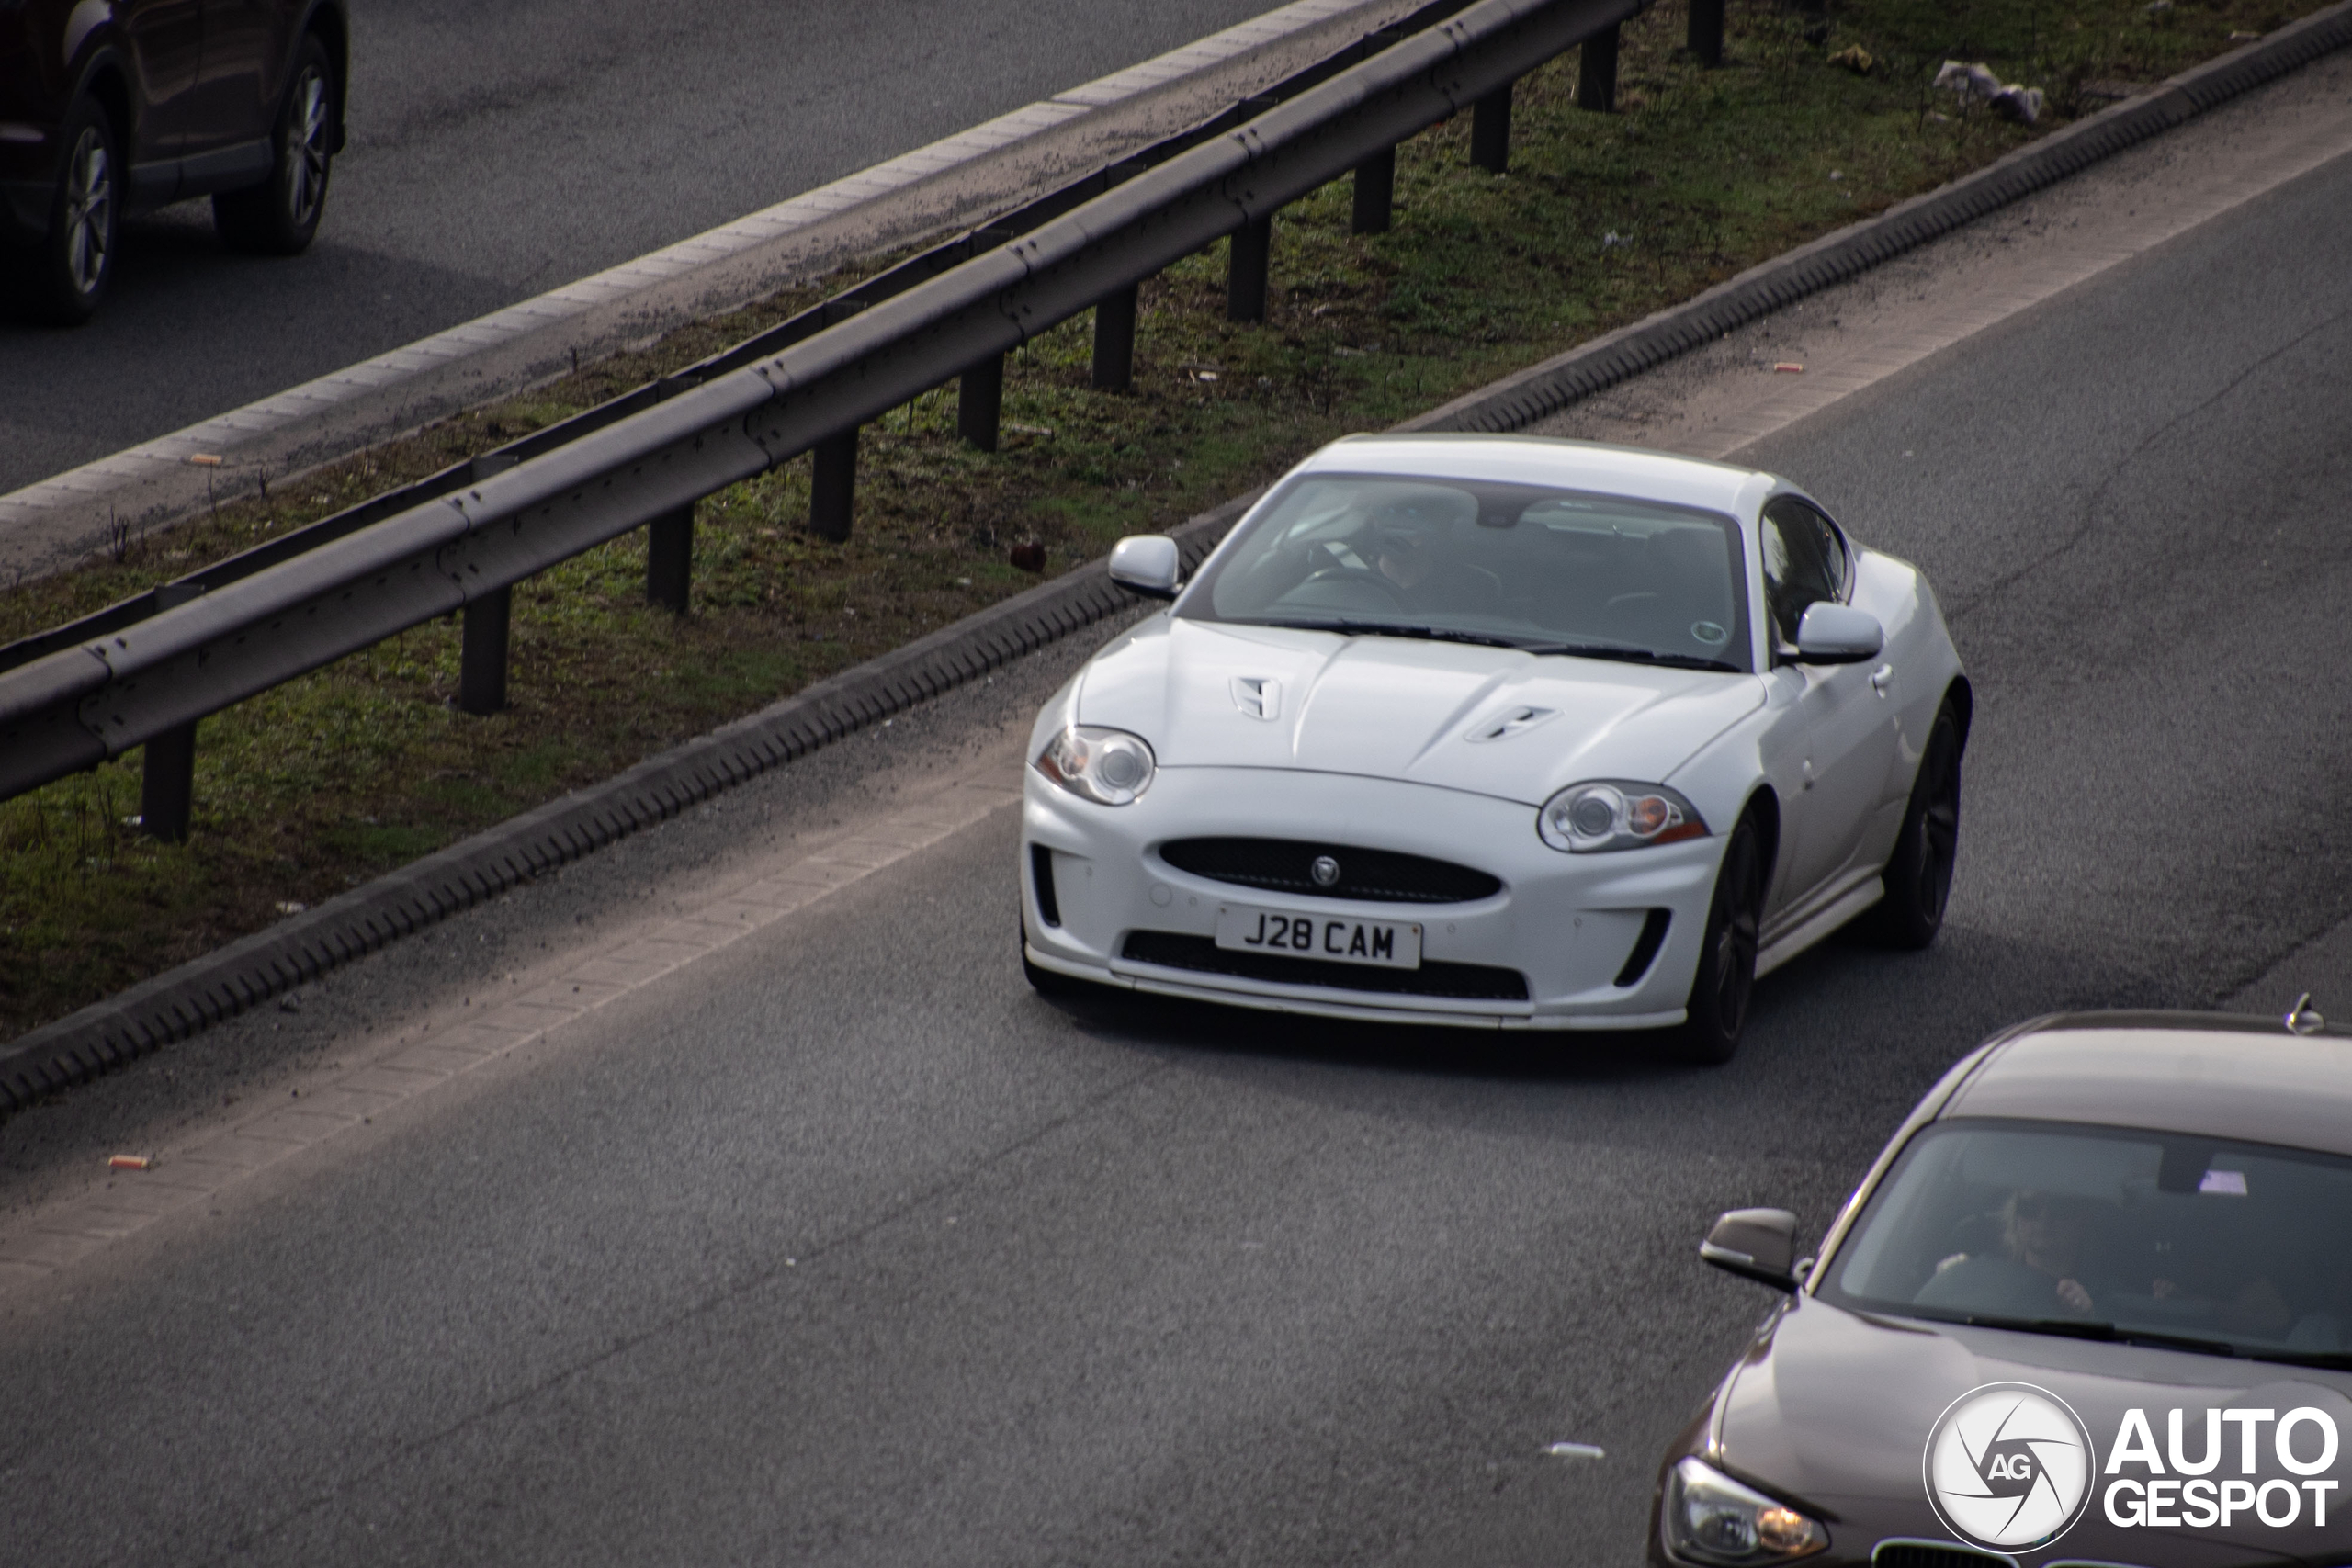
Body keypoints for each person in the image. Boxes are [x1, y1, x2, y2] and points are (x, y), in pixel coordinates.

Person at [1915, 1190, 2101, 1319]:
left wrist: (2088, 1316)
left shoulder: (2109, 1293)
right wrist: (1952, 1278)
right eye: (2030, 1207)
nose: (2044, 1217)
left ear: (2081, 1221)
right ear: (2016, 1218)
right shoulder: (1983, 1274)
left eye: (2060, 1208)